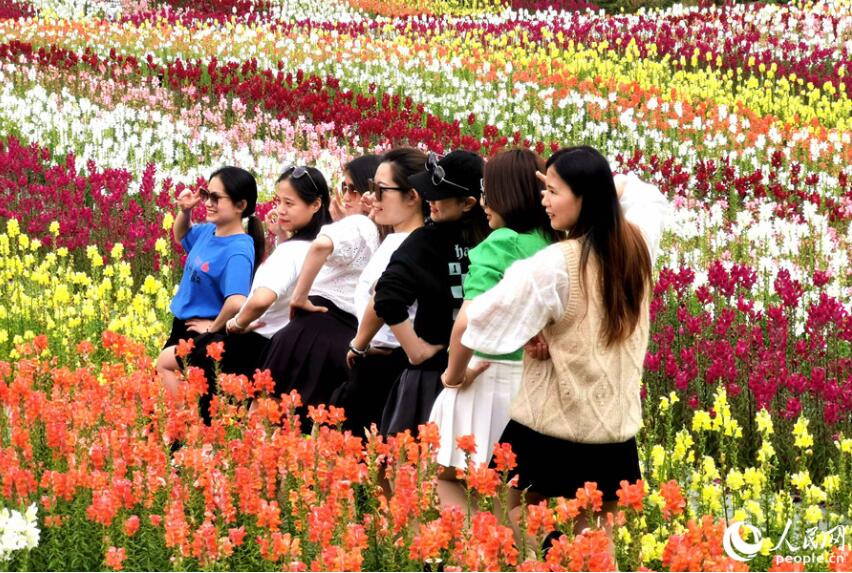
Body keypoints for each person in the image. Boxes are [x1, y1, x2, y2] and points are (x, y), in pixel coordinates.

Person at [460, 146, 669, 549]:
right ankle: (571, 557)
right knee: (601, 535)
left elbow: (481, 322)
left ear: (584, 198)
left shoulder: (557, 263)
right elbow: (645, 194)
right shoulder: (638, 246)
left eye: (553, 191)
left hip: (550, 421)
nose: (544, 200)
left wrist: (531, 331)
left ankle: (553, 554)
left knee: (502, 516)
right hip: (613, 427)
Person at [430, 148, 561, 508]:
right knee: (518, 500)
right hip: (540, 383)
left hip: (488, 377)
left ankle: (481, 555)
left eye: (490, 191)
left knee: (444, 478)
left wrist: (453, 376)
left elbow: (468, 322)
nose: (485, 201)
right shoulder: (557, 243)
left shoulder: (503, 243)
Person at [373, 150, 490, 437]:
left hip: (431, 378)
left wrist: (415, 351)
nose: (430, 201)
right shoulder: (494, 239)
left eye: (438, 195)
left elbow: (386, 296)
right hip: (485, 373)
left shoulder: (426, 240)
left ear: (468, 203)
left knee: (415, 471)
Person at [260, 164, 380, 433]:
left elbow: (322, 244)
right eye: (344, 187)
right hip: (343, 342)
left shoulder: (360, 223)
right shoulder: (384, 232)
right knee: (312, 434)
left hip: (312, 332)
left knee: (269, 424)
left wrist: (299, 297)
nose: (346, 196)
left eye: (355, 189)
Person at [156, 166, 265, 422]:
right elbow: (181, 234)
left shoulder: (238, 250)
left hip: (205, 332)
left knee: (169, 371)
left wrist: (212, 329)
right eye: (207, 194)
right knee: (178, 388)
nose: (208, 203)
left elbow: (237, 301)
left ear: (240, 205)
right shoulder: (209, 231)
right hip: (184, 326)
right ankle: (183, 434)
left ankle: (183, 433)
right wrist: (185, 211)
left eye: (216, 198)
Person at [335, 148, 428, 438]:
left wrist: (358, 344)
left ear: (412, 196)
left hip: (384, 363)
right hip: (393, 361)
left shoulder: (406, 244)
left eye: (380, 190)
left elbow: (382, 299)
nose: (373, 198)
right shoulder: (413, 239)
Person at [223, 166, 333, 370]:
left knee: (169, 362)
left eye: (289, 203)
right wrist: (281, 235)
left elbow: (261, 300)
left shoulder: (289, 253)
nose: (281, 210)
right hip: (287, 350)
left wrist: (236, 324)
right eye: (278, 201)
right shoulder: (327, 245)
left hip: (253, 346)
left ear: (316, 204)